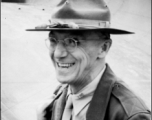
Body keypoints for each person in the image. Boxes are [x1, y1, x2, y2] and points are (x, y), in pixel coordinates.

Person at [27, 0, 151, 120]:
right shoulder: (60, 96)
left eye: (71, 42)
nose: (58, 54)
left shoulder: (129, 115)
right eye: (53, 41)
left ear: (103, 48)